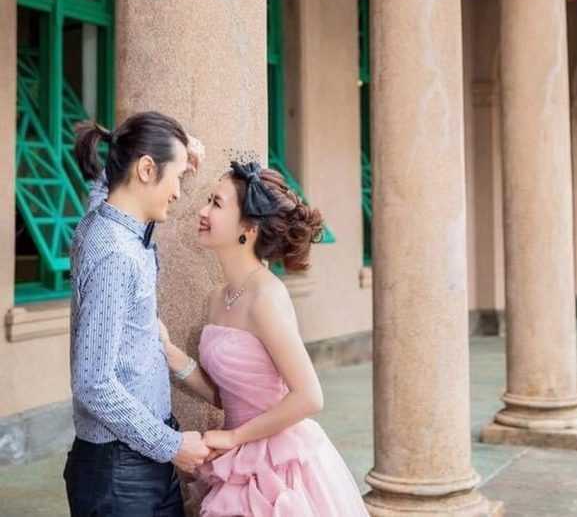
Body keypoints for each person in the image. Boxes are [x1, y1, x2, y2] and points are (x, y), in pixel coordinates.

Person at [161, 160, 369, 516]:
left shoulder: (266, 297)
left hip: (276, 460)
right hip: (236, 457)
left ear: (249, 227)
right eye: (208, 200)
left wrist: (234, 437)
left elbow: (309, 396)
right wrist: (170, 354)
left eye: (216, 203)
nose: (202, 210)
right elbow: (227, 393)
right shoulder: (218, 297)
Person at [63, 111, 210, 517]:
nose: (180, 191)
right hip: (120, 474)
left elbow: (108, 191)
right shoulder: (115, 252)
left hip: (134, 465)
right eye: (178, 177)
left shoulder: (106, 218)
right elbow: (93, 383)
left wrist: (181, 154)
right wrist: (173, 446)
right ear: (146, 169)